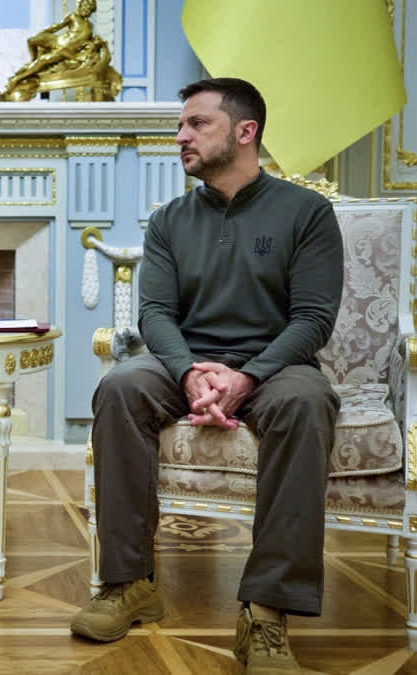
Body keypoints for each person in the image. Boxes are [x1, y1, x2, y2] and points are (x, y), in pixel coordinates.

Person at [69, 78, 344, 674]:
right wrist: (190, 372)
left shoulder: (307, 213)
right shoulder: (170, 219)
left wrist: (246, 376)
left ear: (246, 133)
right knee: (119, 387)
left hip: (276, 366)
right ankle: (128, 584)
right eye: (180, 125)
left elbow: (314, 319)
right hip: (184, 363)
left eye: (197, 124)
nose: (181, 136)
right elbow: (156, 314)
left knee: (307, 402)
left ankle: (266, 611)